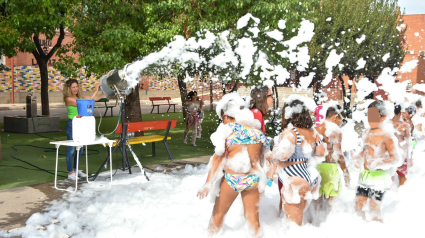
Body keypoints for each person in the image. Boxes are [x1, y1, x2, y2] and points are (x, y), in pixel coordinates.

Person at [197, 93, 270, 236]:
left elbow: (217, 160)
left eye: (222, 119)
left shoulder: (226, 132)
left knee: (218, 216)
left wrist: (208, 183)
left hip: (233, 179)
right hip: (254, 179)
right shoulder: (257, 132)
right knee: (253, 220)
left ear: (225, 116)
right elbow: (265, 155)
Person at [272, 99, 325, 226]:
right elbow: (321, 152)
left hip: (294, 179)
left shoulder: (290, 132)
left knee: (293, 227)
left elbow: (284, 154)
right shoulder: (313, 132)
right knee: (298, 218)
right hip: (309, 177)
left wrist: (275, 149)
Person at [354, 100, 401, 222]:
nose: (370, 119)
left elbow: (396, 158)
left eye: (374, 116)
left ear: (383, 116)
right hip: (365, 175)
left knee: (374, 208)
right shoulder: (366, 132)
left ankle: (377, 230)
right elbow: (365, 150)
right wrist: (357, 159)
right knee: (358, 206)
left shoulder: (387, 135)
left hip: (380, 176)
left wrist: (378, 163)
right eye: (369, 116)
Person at [63, 79, 103, 180]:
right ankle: (70, 173)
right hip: (72, 124)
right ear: (69, 89)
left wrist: (103, 92)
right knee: (71, 149)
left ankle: (76, 170)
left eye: (76, 86)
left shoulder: (79, 97)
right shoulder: (68, 99)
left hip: (80, 124)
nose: (75, 89)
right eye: (73, 87)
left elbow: (93, 99)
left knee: (80, 148)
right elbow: (87, 103)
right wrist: (95, 91)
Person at [315, 105, 349, 202]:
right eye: (341, 120)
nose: (341, 123)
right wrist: (345, 171)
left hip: (316, 167)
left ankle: (314, 217)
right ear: (336, 117)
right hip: (330, 168)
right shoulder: (335, 130)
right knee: (332, 204)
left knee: (317, 203)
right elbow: (338, 154)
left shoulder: (315, 129)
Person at [392, 104, 412, 186]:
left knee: (389, 175)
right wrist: (410, 157)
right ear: (400, 113)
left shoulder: (387, 124)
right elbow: (408, 142)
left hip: (390, 153)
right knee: (402, 175)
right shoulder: (404, 125)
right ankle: (400, 192)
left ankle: (390, 193)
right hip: (401, 153)